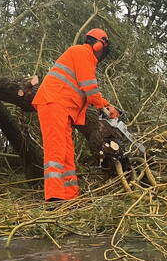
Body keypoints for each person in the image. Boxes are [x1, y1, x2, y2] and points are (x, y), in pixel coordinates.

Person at [32, 29, 119, 202]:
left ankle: (70, 196)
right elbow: (90, 89)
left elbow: (88, 90)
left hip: (63, 108)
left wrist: (106, 105)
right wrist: (105, 106)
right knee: (56, 150)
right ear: (98, 45)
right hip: (54, 102)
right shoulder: (81, 52)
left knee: (67, 153)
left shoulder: (85, 58)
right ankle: (55, 197)